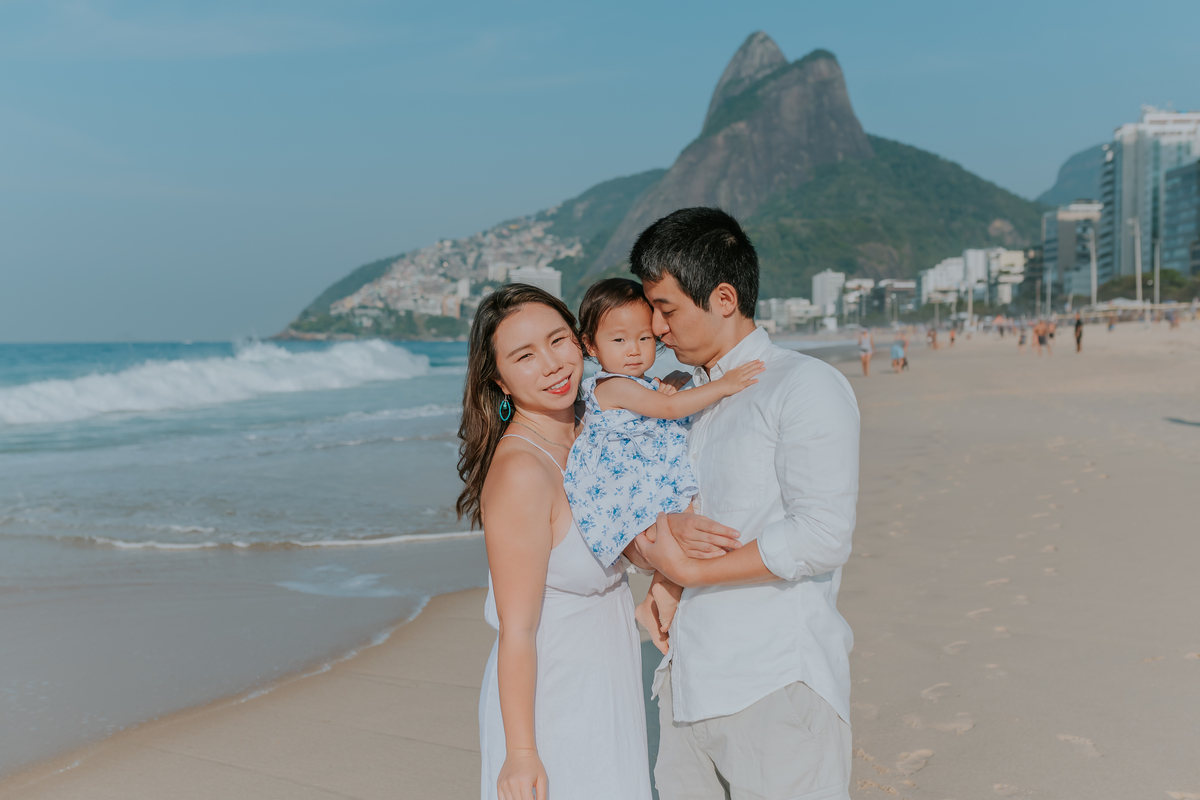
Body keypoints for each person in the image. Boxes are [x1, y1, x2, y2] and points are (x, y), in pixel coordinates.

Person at [623, 208, 860, 800]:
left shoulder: (804, 385)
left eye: (667, 308)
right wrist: (661, 549)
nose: (655, 327)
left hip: (774, 680)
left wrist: (690, 569)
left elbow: (823, 535)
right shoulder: (679, 402)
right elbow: (631, 506)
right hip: (685, 685)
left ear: (723, 298)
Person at [460, 284, 655, 800]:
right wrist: (521, 753)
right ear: (498, 380)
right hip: (554, 699)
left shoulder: (596, 431)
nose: (552, 365)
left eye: (558, 341)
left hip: (606, 678)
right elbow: (516, 629)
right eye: (524, 356)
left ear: (583, 342)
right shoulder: (521, 471)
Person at [564, 277, 763, 653]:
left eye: (644, 338)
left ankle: (656, 598)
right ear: (590, 345)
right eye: (618, 340)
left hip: (648, 477)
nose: (635, 351)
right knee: (684, 530)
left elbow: (663, 403)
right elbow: (669, 410)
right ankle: (659, 597)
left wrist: (666, 387)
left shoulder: (640, 384)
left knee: (688, 523)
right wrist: (725, 384)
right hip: (627, 487)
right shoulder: (611, 386)